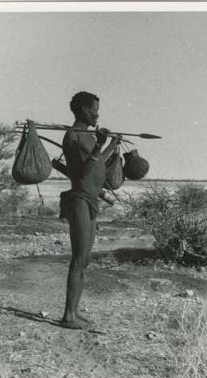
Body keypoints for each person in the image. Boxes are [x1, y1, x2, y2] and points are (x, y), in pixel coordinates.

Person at [59, 91, 121, 329]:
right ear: (84, 110)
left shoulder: (86, 136)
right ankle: (68, 315)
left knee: (84, 260)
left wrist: (111, 145)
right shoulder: (73, 135)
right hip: (80, 201)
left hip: (91, 201)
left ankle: (74, 311)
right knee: (77, 259)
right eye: (95, 109)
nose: (97, 113)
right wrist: (101, 144)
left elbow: (96, 165)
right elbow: (84, 172)